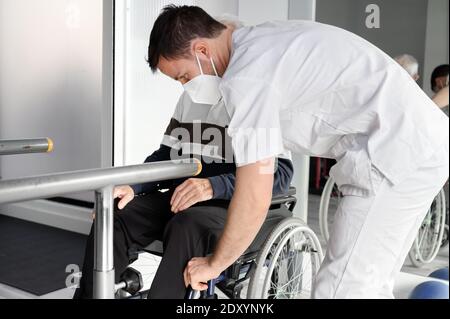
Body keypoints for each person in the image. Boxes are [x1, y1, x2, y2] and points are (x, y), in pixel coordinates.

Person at [147, 5, 449, 298]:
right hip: (416, 145)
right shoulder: (262, 41)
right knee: (370, 284)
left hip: (397, 152)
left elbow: (255, 193)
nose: (185, 88)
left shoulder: (247, 79)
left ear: (202, 51)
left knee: (342, 290)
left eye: (183, 77)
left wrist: (215, 264)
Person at [73, 91, 294, 299]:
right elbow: (166, 155)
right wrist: (133, 186)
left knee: (187, 225)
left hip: (232, 204)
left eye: (183, 74)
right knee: (114, 213)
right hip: (183, 198)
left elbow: (280, 174)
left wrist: (212, 186)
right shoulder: (190, 96)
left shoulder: (255, 99)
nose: (183, 82)